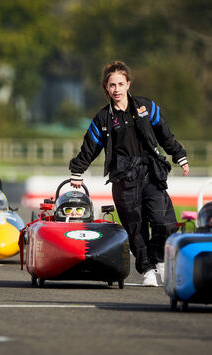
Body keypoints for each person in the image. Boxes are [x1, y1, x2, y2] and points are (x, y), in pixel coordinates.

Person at [68, 61, 189, 286]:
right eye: (112, 85)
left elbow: (165, 134)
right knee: (136, 227)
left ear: (128, 84)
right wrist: (78, 171)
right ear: (106, 87)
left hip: (151, 173)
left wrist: (179, 155)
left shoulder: (147, 107)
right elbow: (90, 147)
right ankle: (147, 269)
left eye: (120, 84)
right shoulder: (102, 119)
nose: (116, 89)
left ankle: (159, 257)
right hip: (123, 178)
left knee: (165, 222)